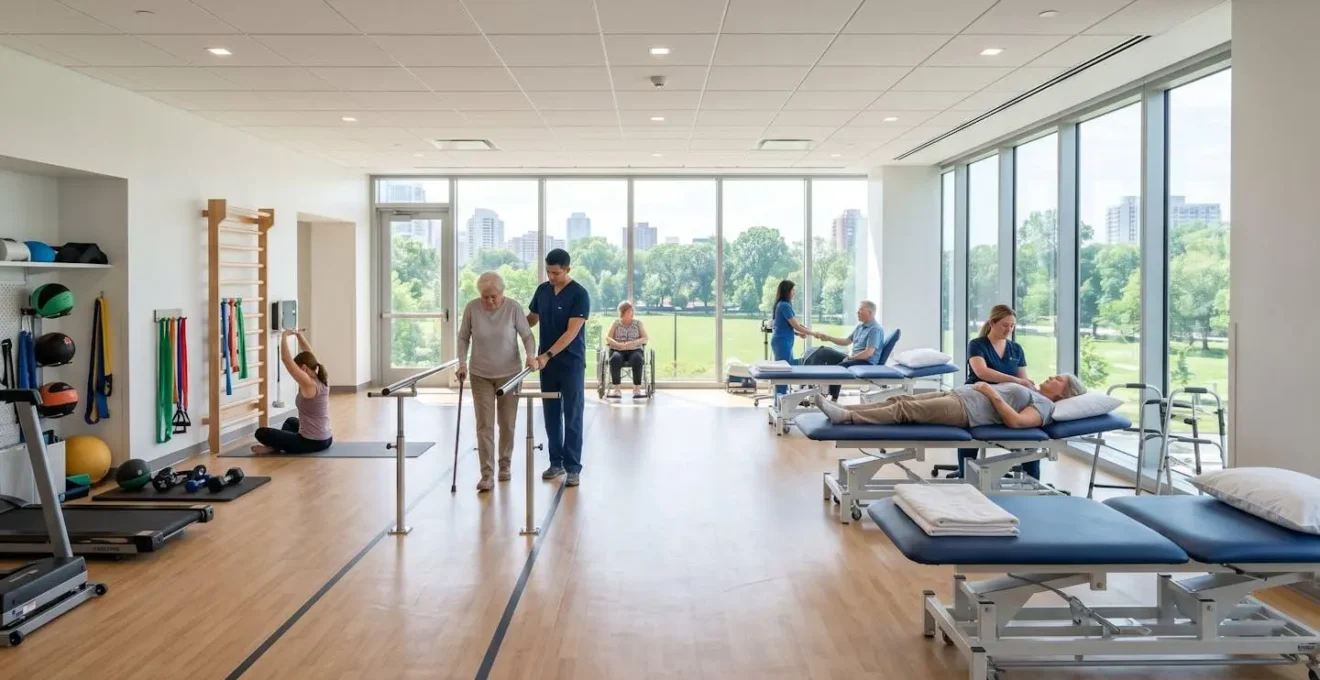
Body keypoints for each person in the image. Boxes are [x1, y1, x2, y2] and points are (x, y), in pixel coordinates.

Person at [457, 272, 538, 492]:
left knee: (507, 423)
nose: (490, 301)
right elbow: (463, 337)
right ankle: (486, 474)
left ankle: (505, 465)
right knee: (484, 426)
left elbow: (527, 336)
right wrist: (462, 363)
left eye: (494, 296)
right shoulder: (472, 308)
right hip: (480, 374)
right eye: (485, 297)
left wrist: (531, 356)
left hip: (509, 374)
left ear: (502, 293)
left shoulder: (513, 308)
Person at [527, 248, 589, 487]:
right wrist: (509, 327)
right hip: (547, 365)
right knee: (551, 414)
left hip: (570, 363)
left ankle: (573, 467)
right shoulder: (543, 290)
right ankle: (556, 462)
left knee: (572, 413)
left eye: (555, 273)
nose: (551, 277)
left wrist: (547, 354)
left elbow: (572, 332)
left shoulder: (579, 294)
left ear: (567, 270)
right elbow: (532, 319)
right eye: (548, 272)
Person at [815, 374, 1086, 428]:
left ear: (1064, 392)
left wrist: (990, 392)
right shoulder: (1033, 390)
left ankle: (848, 418)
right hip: (960, 396)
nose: (1052, 376)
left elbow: (1016, 422)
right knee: (901, 398)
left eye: (1058, 379)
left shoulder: (1046, 406)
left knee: (904, 409)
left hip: (967, 411)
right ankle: (845, 408)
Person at [959, 304, 1037, 478]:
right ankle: (964, 475)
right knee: (969, 427)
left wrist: (1027, 385)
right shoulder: (977, 344)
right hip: (978, 395)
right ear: (992, 323)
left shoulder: (1016, 349)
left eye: (1012, 326)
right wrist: (1016, 380)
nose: (1009, 329)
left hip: (1006, 399)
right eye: (1005, 325)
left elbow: (1023, 379)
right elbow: (982, 372)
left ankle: (1032, 481)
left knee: (1030, 431)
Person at [250, 329, 332, 454]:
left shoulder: (308, 383)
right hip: (326, 438)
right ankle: (277, 446)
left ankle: (274, 448)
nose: (297, 373)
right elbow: (308, 353)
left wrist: (284, 336)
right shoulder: (320, 378)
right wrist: (299, 336)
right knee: (291, 421)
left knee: (261, 433)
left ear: (303, 368)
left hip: (311, 442)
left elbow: (285, 359)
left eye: (298, 369)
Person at [806, 300, 885, 401]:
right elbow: (846, 341)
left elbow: (868, 353)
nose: (857, 312)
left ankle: (833, 399)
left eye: (860, 310)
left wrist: (850, 358)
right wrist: (828, 338)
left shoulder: (875, 329)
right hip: (855, 358)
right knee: (823, 352)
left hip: (866, 362)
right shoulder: (860, 327)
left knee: (838, 368)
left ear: (870, 312)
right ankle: (813, 390)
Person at [770, 280, 812, 397]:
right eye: (792, 290)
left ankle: (782, 401)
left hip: (784, 341)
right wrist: (813, 333)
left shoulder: (783, 305)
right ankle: (780, 402)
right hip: (781, 342)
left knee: (786, 368)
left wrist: (798, 334)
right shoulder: (784, 305)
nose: (794, 293)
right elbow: (796, 325)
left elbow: (786, 326)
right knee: (782, 372)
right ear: (786, 291)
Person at [604, 301, 649, 398]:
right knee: (614, 359)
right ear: (622, 312)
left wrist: (634, 343)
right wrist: (618, 344)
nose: (631, 313)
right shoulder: (616, 323)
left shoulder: (638, 323)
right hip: (618, 349)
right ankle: (617, 389)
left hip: (634, 349)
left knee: (637, 359)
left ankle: (636, 389)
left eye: (632, 311)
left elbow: (645, 338)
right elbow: (608, 338)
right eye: (629, 311)